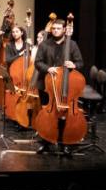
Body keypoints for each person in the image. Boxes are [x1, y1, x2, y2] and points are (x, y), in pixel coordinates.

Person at [33, 19, 84, 156]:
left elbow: (80, 62)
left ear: (64, 30)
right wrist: (48, 68)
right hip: (47, 84)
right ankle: (46, 141)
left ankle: (66, 143)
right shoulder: (44, 44)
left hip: (66, 85)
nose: (55, 30)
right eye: (53, 28)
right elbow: (37, 63)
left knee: (65, 115)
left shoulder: (71, 44)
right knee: (47, 115)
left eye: (58, 28)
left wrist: (74, 65)